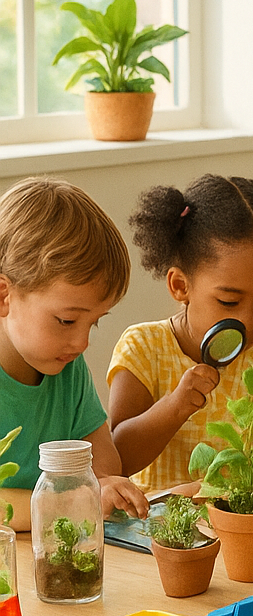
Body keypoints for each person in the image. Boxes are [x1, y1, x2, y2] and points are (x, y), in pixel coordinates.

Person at [108, 175, 253, 491]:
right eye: (229, 301)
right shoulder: (143, 349)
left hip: (252, 525)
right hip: (164, 527)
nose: (249, 319)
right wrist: (175, 405)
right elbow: (117, 460)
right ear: (181, 286)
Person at [0, 178, 147, 529]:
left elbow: (104, 471)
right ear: (4, 295)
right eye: (66, 321)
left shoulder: (67, 368)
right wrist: (72, 501)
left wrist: (111, 489)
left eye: (93, 323)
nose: (82, 343)